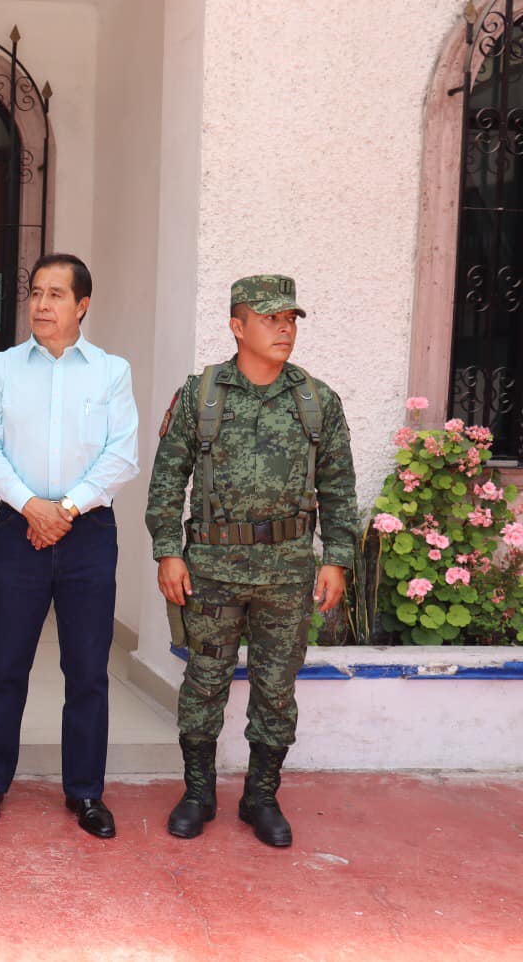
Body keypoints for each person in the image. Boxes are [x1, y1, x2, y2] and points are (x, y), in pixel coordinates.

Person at [145, 275, 356, 848]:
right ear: (237, 327)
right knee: (205, 681)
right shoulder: (201, 396)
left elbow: (339, 489)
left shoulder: (317, 400)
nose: (284, 328)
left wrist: (335, 559)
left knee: (276, 689)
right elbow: (167, 481)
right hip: (212, 568)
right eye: (270, 319)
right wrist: (168, 551)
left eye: (290, 319)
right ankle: (197, 791)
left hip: (288, 574)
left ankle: (261, 795)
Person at [0, 253, 139, 839]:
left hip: (88, 533)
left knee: (87, 669)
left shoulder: (111, 372)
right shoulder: (2, 367)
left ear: (82, 304)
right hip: (20, 529)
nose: (42, 305)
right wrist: (33, 508)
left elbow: (122, 455)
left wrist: (65, 509)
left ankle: (86, 792)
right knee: (6, 664)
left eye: (56, 295)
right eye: (36, 293)